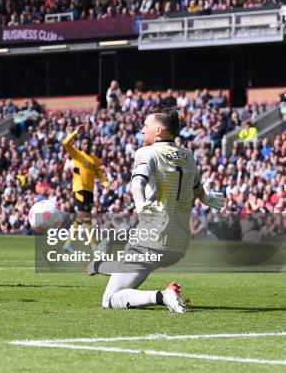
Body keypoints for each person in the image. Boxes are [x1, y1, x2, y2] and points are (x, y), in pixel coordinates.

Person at [88, 107, 225, 313]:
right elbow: (199, 190)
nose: (142, 130)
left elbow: (138, 183)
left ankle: (163, 296)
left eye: (146, 126)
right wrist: (209, 199)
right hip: (178, 246)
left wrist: (140, 204)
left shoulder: (147, 152)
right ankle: (100, 265)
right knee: (125, 252)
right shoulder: (188, 156)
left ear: (159, 130)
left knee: (109, 299)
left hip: (151, 240)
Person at [62, 125, 108, 253]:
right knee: (84, 216)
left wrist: (105, 184)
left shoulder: (94, 160)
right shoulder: (77, 154)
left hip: (90, 191)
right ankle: (94, 247)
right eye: (84, 143)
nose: (86, 145)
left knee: (84, 218)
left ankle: (68, 243)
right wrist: (76, 132)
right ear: (81, 145)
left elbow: (99, 174)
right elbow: (65, 143)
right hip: (79, 189)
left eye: (88, 143)